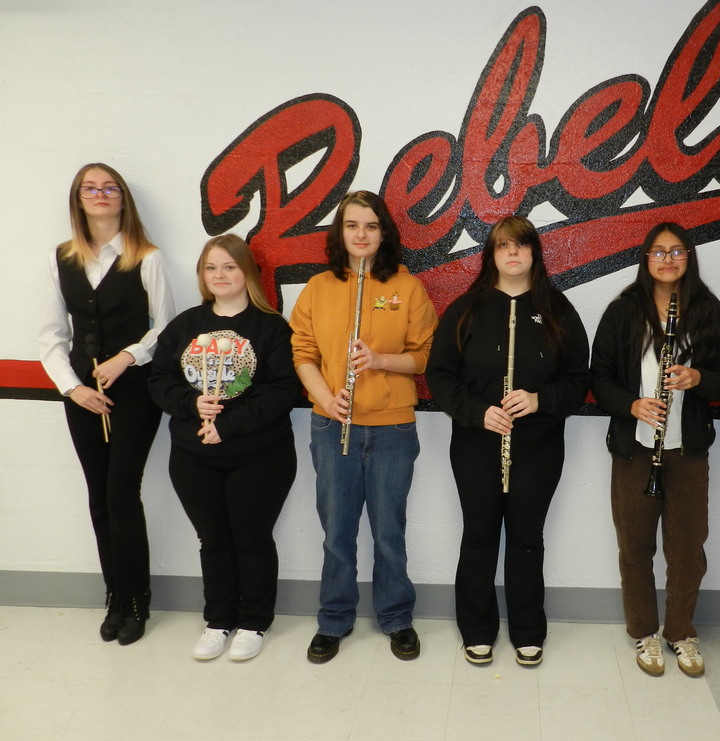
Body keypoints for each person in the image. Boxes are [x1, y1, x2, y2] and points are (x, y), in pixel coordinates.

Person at [426, 216, 590, 667]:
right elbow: (440, 375)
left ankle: (528, 631)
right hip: (476, 445)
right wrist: (478, 412)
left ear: (534, 252)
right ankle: (477, 630)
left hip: (539, 447)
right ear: (491, 256)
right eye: (503, 246)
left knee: (527, 538)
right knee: (479, 535)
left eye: (520, 245)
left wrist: (540, 400)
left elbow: (579, 380)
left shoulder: (557, 309)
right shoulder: (466, 309)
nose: (512, 253)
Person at [290, 190, 437, 663]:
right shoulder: (318, 287)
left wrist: (379, 360)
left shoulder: (407, 287)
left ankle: (396, 617)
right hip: (332, 426)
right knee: (337, 531)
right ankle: (334, 619)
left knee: (389, 530)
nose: (361, 234)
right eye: (352, 225)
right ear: (340, 232)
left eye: (371, 226)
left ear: (383, 233)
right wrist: (326, 399)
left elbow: (424, 356)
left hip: (392, 430)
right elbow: (303, 353)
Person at [39, 163, 175, 645]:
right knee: (98, 495)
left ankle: (137, 600)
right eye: (90, 188)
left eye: (110, 187)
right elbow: (52, 335)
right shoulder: (61, 258)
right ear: (78, 199)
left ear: (122, 199)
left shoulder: (147, 257)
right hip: (81, 393)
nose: (100, 194)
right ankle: (114, 595)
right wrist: (72, 387)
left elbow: (165, 327)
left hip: (135, 391)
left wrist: (127, 357)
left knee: (121, 493)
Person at [591, 222, 720, 677]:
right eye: (658, 251)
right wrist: (632, 404)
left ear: (689, 256)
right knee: (635, 546)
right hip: (635, 448)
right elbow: (599, 378)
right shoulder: (623, 310)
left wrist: (697, 378)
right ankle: (644, 631)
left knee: (688, 549)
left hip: (687, 450)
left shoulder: (708, 309)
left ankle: (680, 630)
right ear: (645, 258)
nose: (667, 259)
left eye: (676, 251)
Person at [148, 234, 300, 661]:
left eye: (229, 267)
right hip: (194, 456)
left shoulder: (271, 327)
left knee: (252, 539)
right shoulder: (184, 326)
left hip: (260, 454)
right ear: (202, 275)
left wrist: (228, 426)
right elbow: (159, 381)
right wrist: (191, 404)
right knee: (213, 541)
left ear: (247, 272)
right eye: (211, 268)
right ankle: (218, 621)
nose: (220, 275)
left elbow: (283, 390)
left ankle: (254, 622)